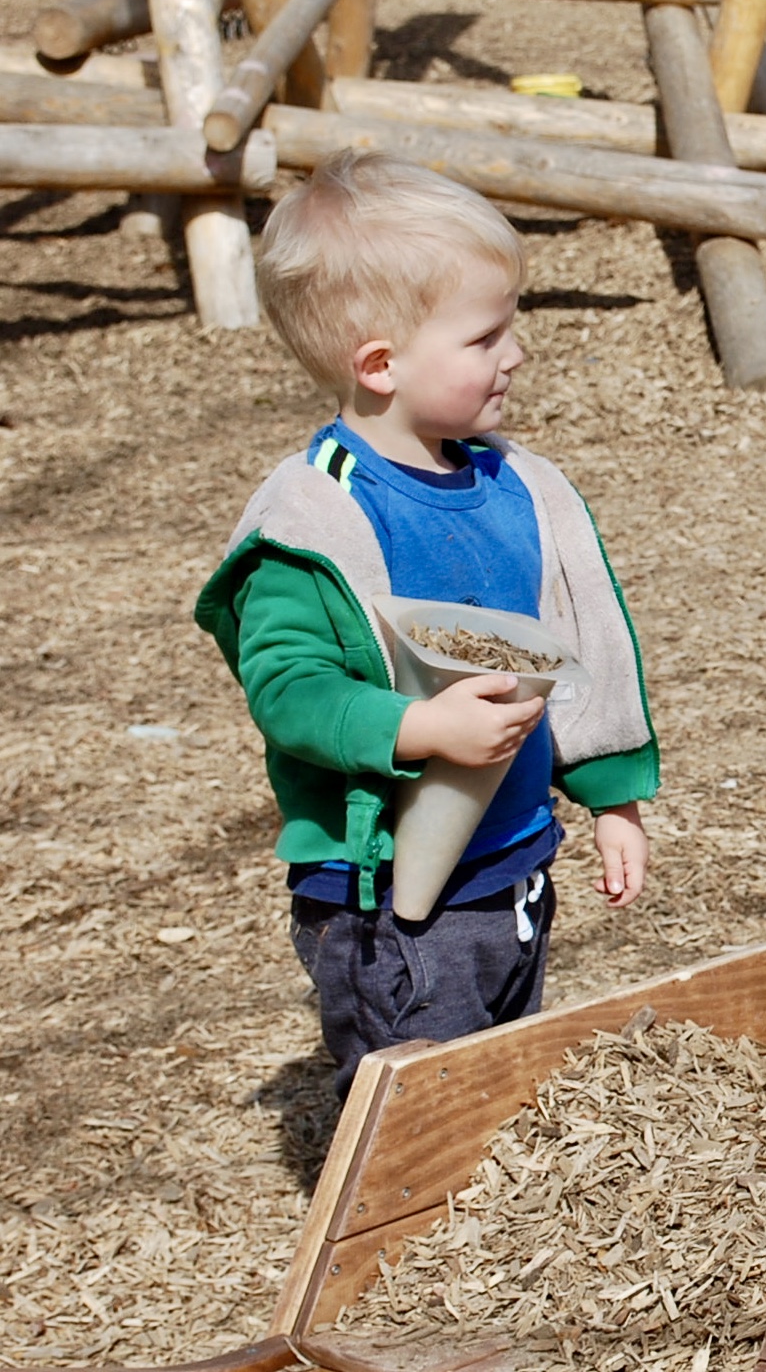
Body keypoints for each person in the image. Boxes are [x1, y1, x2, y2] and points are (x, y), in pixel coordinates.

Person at [195, 150, 660, 1100]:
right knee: (417, 1108)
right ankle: (388, 1245)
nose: (515, 352)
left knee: (499, 1083)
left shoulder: (514, 486)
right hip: (387, 902)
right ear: (380, 363)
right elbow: (289, 690)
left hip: (512, 861)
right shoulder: (314, 519)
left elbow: (578, 647)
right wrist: (420, 728)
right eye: (485, 336)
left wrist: (613, 800)